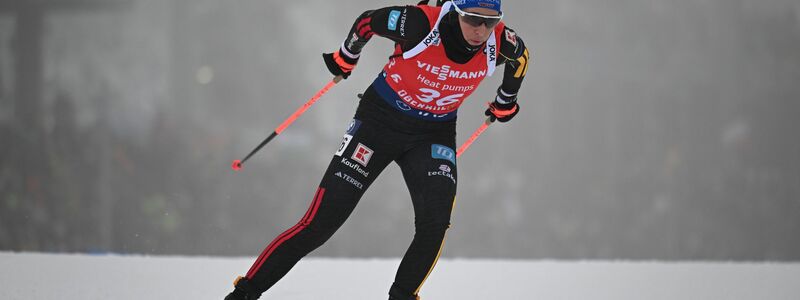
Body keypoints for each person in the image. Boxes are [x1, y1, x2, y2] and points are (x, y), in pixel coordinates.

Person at [225, 0, 529, 299]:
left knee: (434, 224)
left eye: (490, 21)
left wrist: (505, 101)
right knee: (321, 223)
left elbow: (522, 59)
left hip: (433, 134)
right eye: (473, 19)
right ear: (456, 13)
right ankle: (245, 293)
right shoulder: (420, 23)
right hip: (379, 123)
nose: (481, 29)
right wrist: (347, 56)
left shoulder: (503, 41)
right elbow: (368, 21)